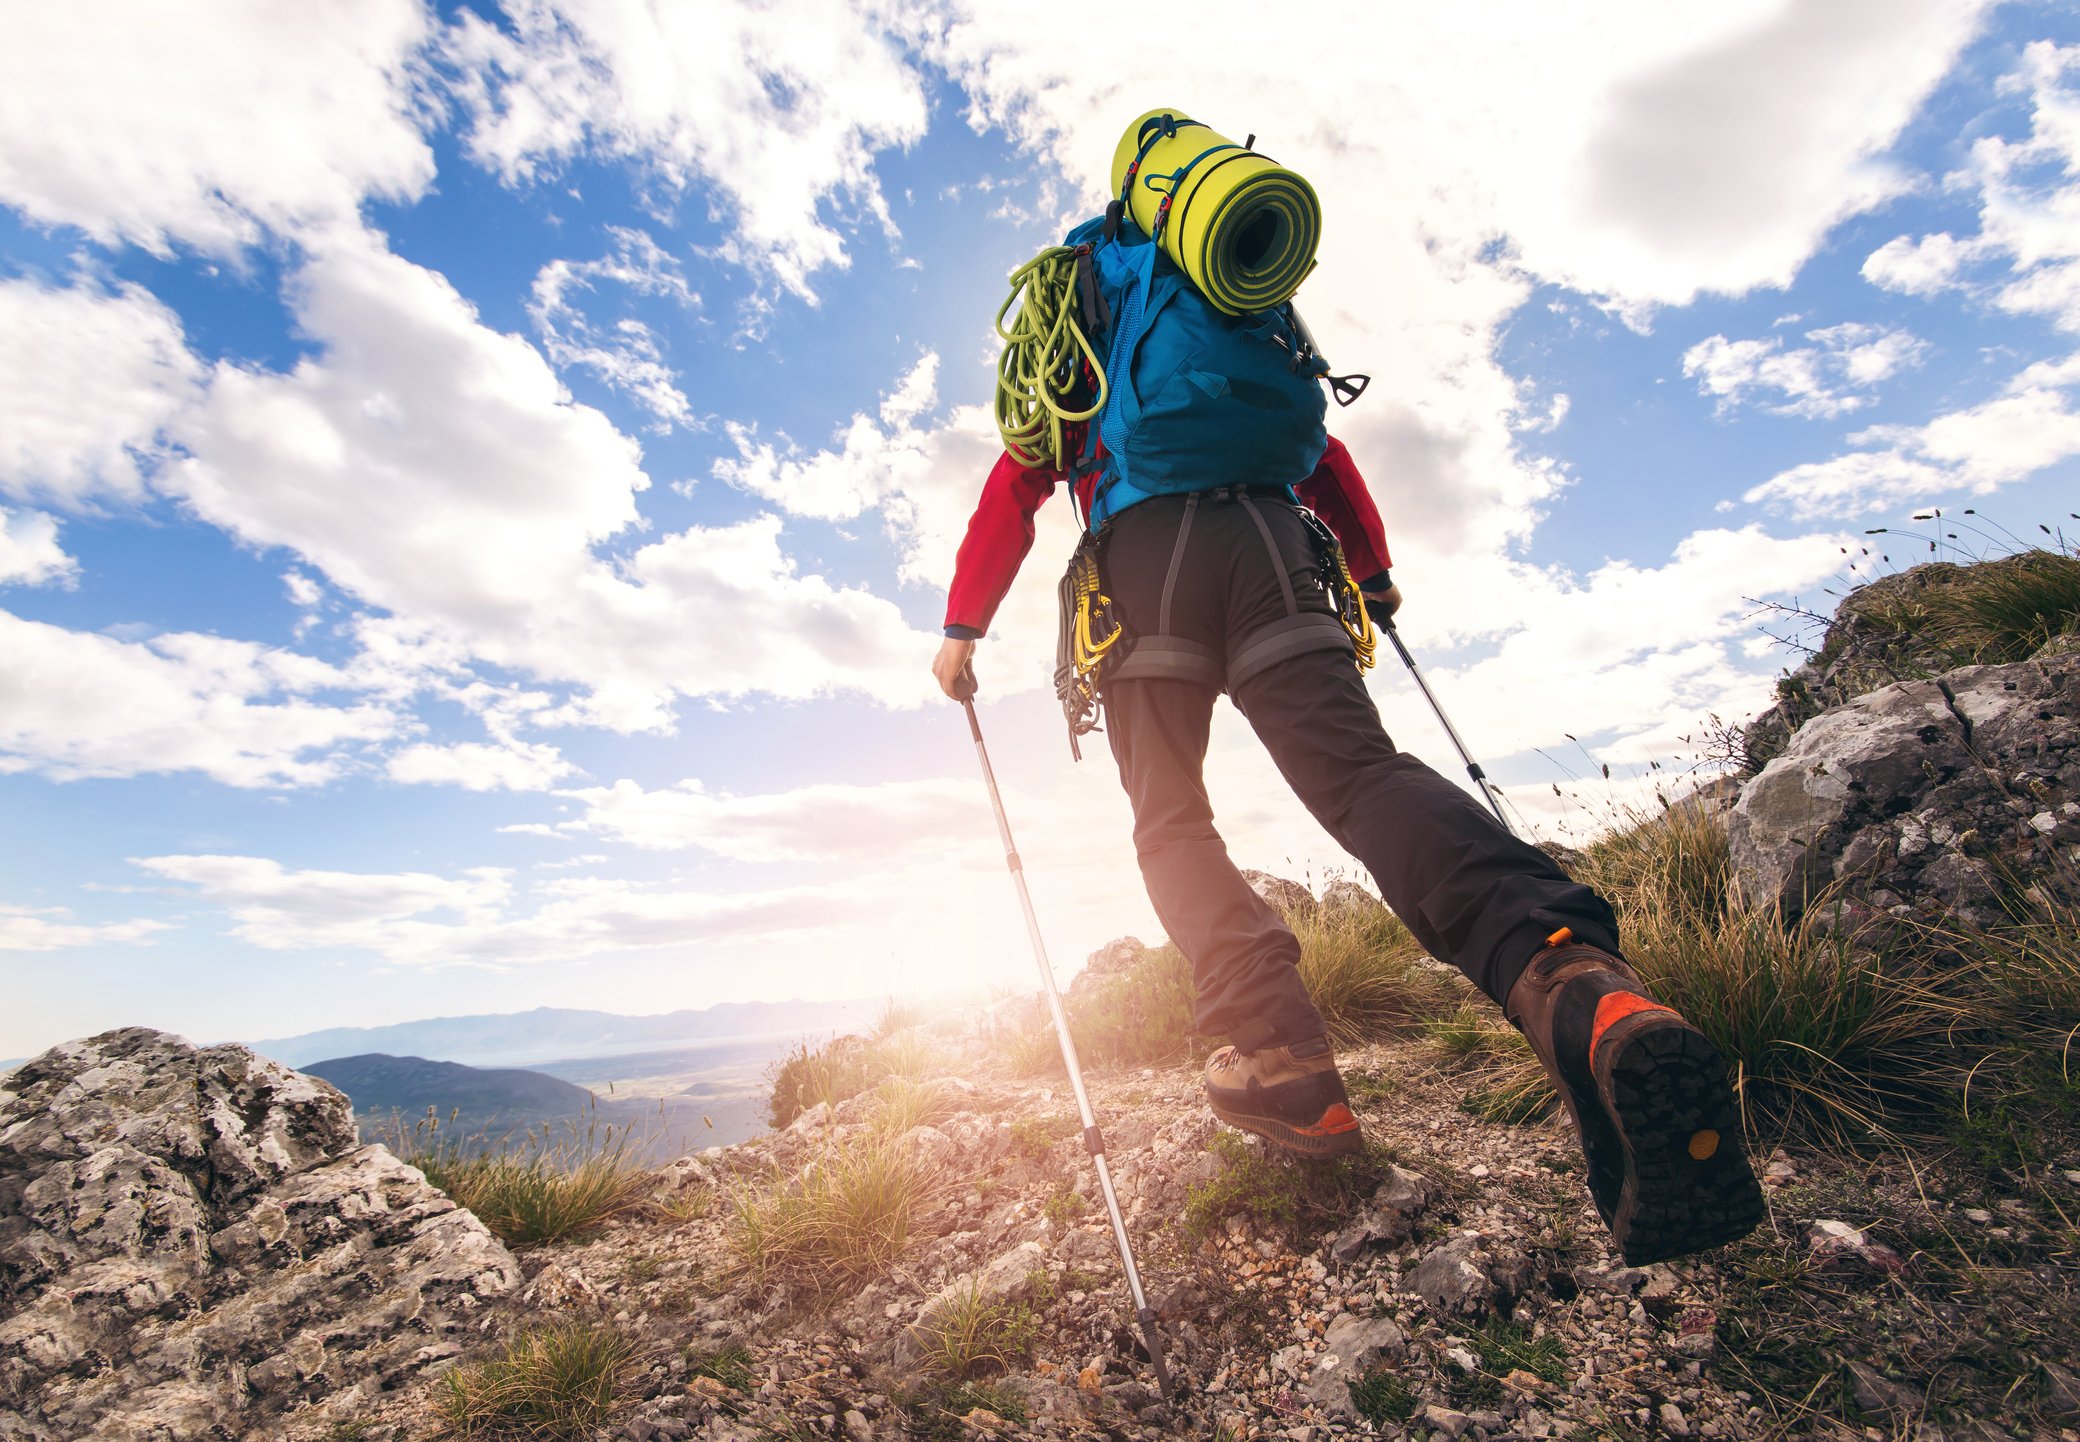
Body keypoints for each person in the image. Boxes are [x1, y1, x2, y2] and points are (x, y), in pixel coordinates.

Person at [932, 436, 1764, 1266]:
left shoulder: (1075, 325)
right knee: (1363, 775)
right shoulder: (1237, 308)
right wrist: (1370, 570)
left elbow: (1019, 478)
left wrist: (963, 625)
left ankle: (1276, 1050)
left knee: (1171, 818)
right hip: (1271, 539)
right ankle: (1577, 981)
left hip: (1144, 563)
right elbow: (1316, 449)